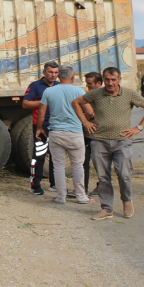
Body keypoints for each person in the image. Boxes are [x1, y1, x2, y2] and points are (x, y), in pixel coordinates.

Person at [72, 67, 144, 220]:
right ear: (103, 80)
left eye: (113, 79)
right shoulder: (96, 94)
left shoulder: (129, 94)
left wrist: (138, 128)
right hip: (99, 141)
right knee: (103, 177)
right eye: (107, 79)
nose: (110, 83)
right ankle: (107, 208)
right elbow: (76, 102)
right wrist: (85, 122)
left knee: (124, 174)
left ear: (119, 80)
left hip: (122, 141)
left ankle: (126, 200)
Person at [36, 66, 91, 205]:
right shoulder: (79, 91)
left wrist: (39, 128)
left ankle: (61, 197)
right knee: (78, 165)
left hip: (56, 132)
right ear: (72, 77)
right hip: (75, 133)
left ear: (58, 76)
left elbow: (41, 113)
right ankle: (81, 196)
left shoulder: (49, 91)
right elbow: (90, 112)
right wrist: (83, 118)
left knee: (58, 166)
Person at [23, 61, 59, 195]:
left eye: (56, 72)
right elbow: (25, 104)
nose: (53, 75)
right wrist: (44, 102)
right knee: (39, 155)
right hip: (41, 125)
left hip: (57, 124)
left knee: (57, 155)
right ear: (44, 72)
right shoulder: (35, 86)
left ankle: (55, 184)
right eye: (50, 72)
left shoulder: (60, 86)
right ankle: (35, 185)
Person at [69, 72, 102, 198]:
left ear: (98, 83)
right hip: (87, 135)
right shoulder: (87, 95)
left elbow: (91, 113)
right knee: (83, 162)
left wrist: (84, 119)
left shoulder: (103, 96)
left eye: (89, 83)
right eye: (86, 83)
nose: (87, 86)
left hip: (99, 135)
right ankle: (82, 189)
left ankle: (101, 186)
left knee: (100, 162)